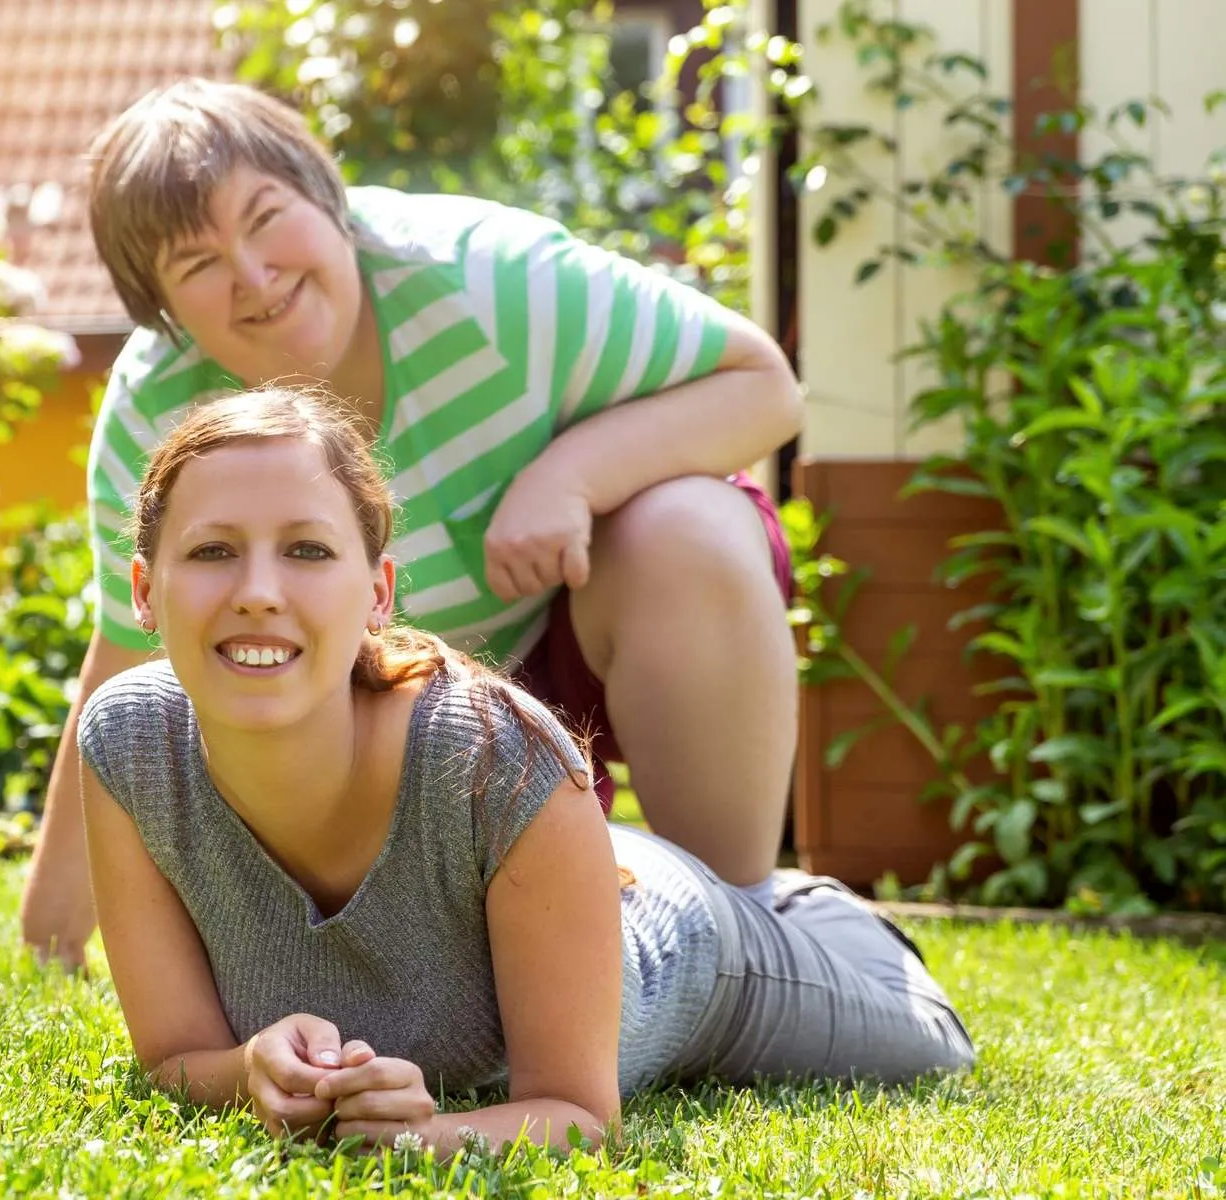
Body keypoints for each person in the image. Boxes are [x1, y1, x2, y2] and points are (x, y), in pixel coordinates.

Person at [22, 76, 806, 968]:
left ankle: (744, 941)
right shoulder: (158, 412)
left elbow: (764, 386)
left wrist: (572, 476)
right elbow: (131, 650)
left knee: (687, 528)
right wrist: (52, 934)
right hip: (414, 710)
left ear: (328, 197)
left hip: (591, 603)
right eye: (198, 265)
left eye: (267, 216)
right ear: (164, 313)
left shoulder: (494, 278)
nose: (253, 275)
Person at [76, 388, 973, 1154]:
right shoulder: (126, 746)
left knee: (932, 1048)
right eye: (211, 550)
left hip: (668, 944)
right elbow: (172, 1059)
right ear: (146, 592)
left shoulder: (488, 758)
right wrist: (254, 1070)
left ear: (378, 591)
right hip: (567, 862)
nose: (259, 590)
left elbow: (582, 1113)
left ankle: (808, 908)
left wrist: (420, 1141)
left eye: (307, 550)